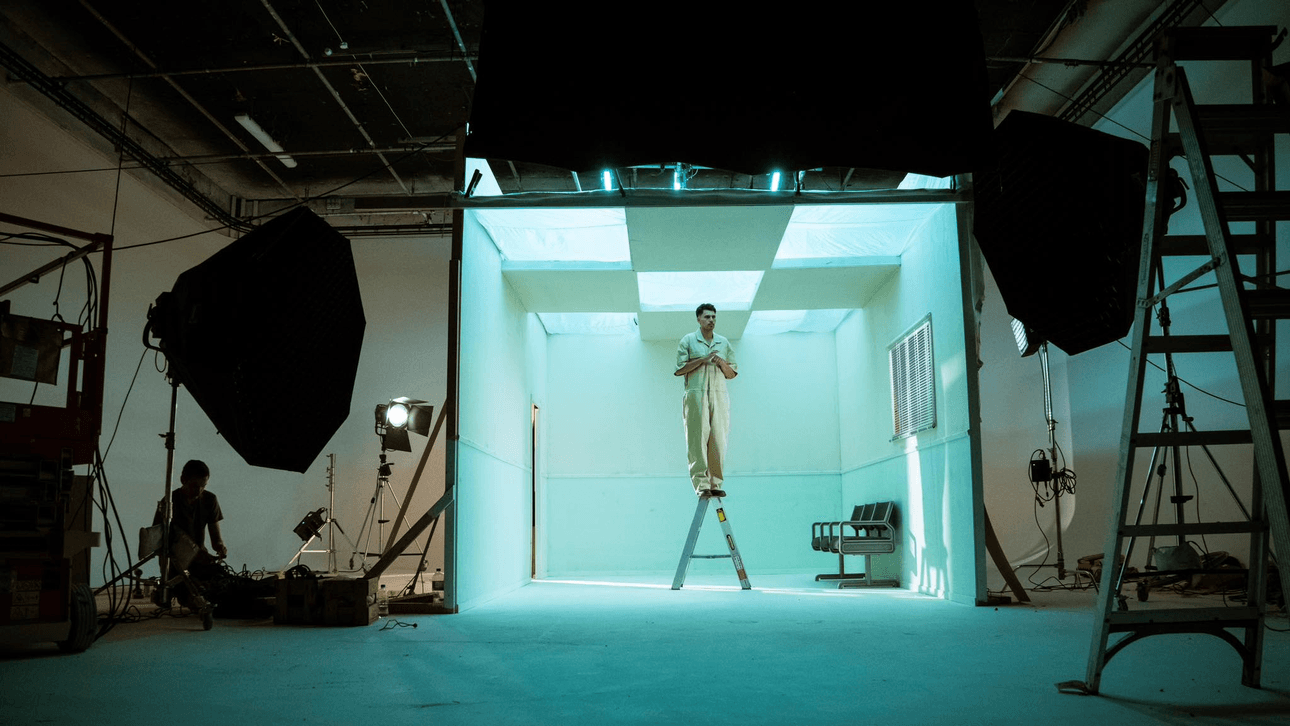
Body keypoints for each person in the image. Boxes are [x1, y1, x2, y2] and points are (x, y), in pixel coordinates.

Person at [674, 304, 738, 497]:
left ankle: (715, 484)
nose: (711, 320)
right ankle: (702, 484)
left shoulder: (723, 343)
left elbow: (732, 373)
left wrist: (721, 362)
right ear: (698, 319)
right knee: (697, 440)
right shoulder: (689, 340)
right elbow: (679, 369)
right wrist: (702, 359)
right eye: (707, 317)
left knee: (718, 439)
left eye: (714, 317)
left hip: (719, 395)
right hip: (695, 395)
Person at [153, 459, 227, 607]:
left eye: (203, 486)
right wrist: (194, 554)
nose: (199, 491)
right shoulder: (168, 503)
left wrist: (220, 547)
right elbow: (160, 542)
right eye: (195, 486)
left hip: (200, 560)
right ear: (183, 480)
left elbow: (216, 538)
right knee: (191, 590)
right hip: (175, 564)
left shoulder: (210, 500)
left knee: (223, 583)